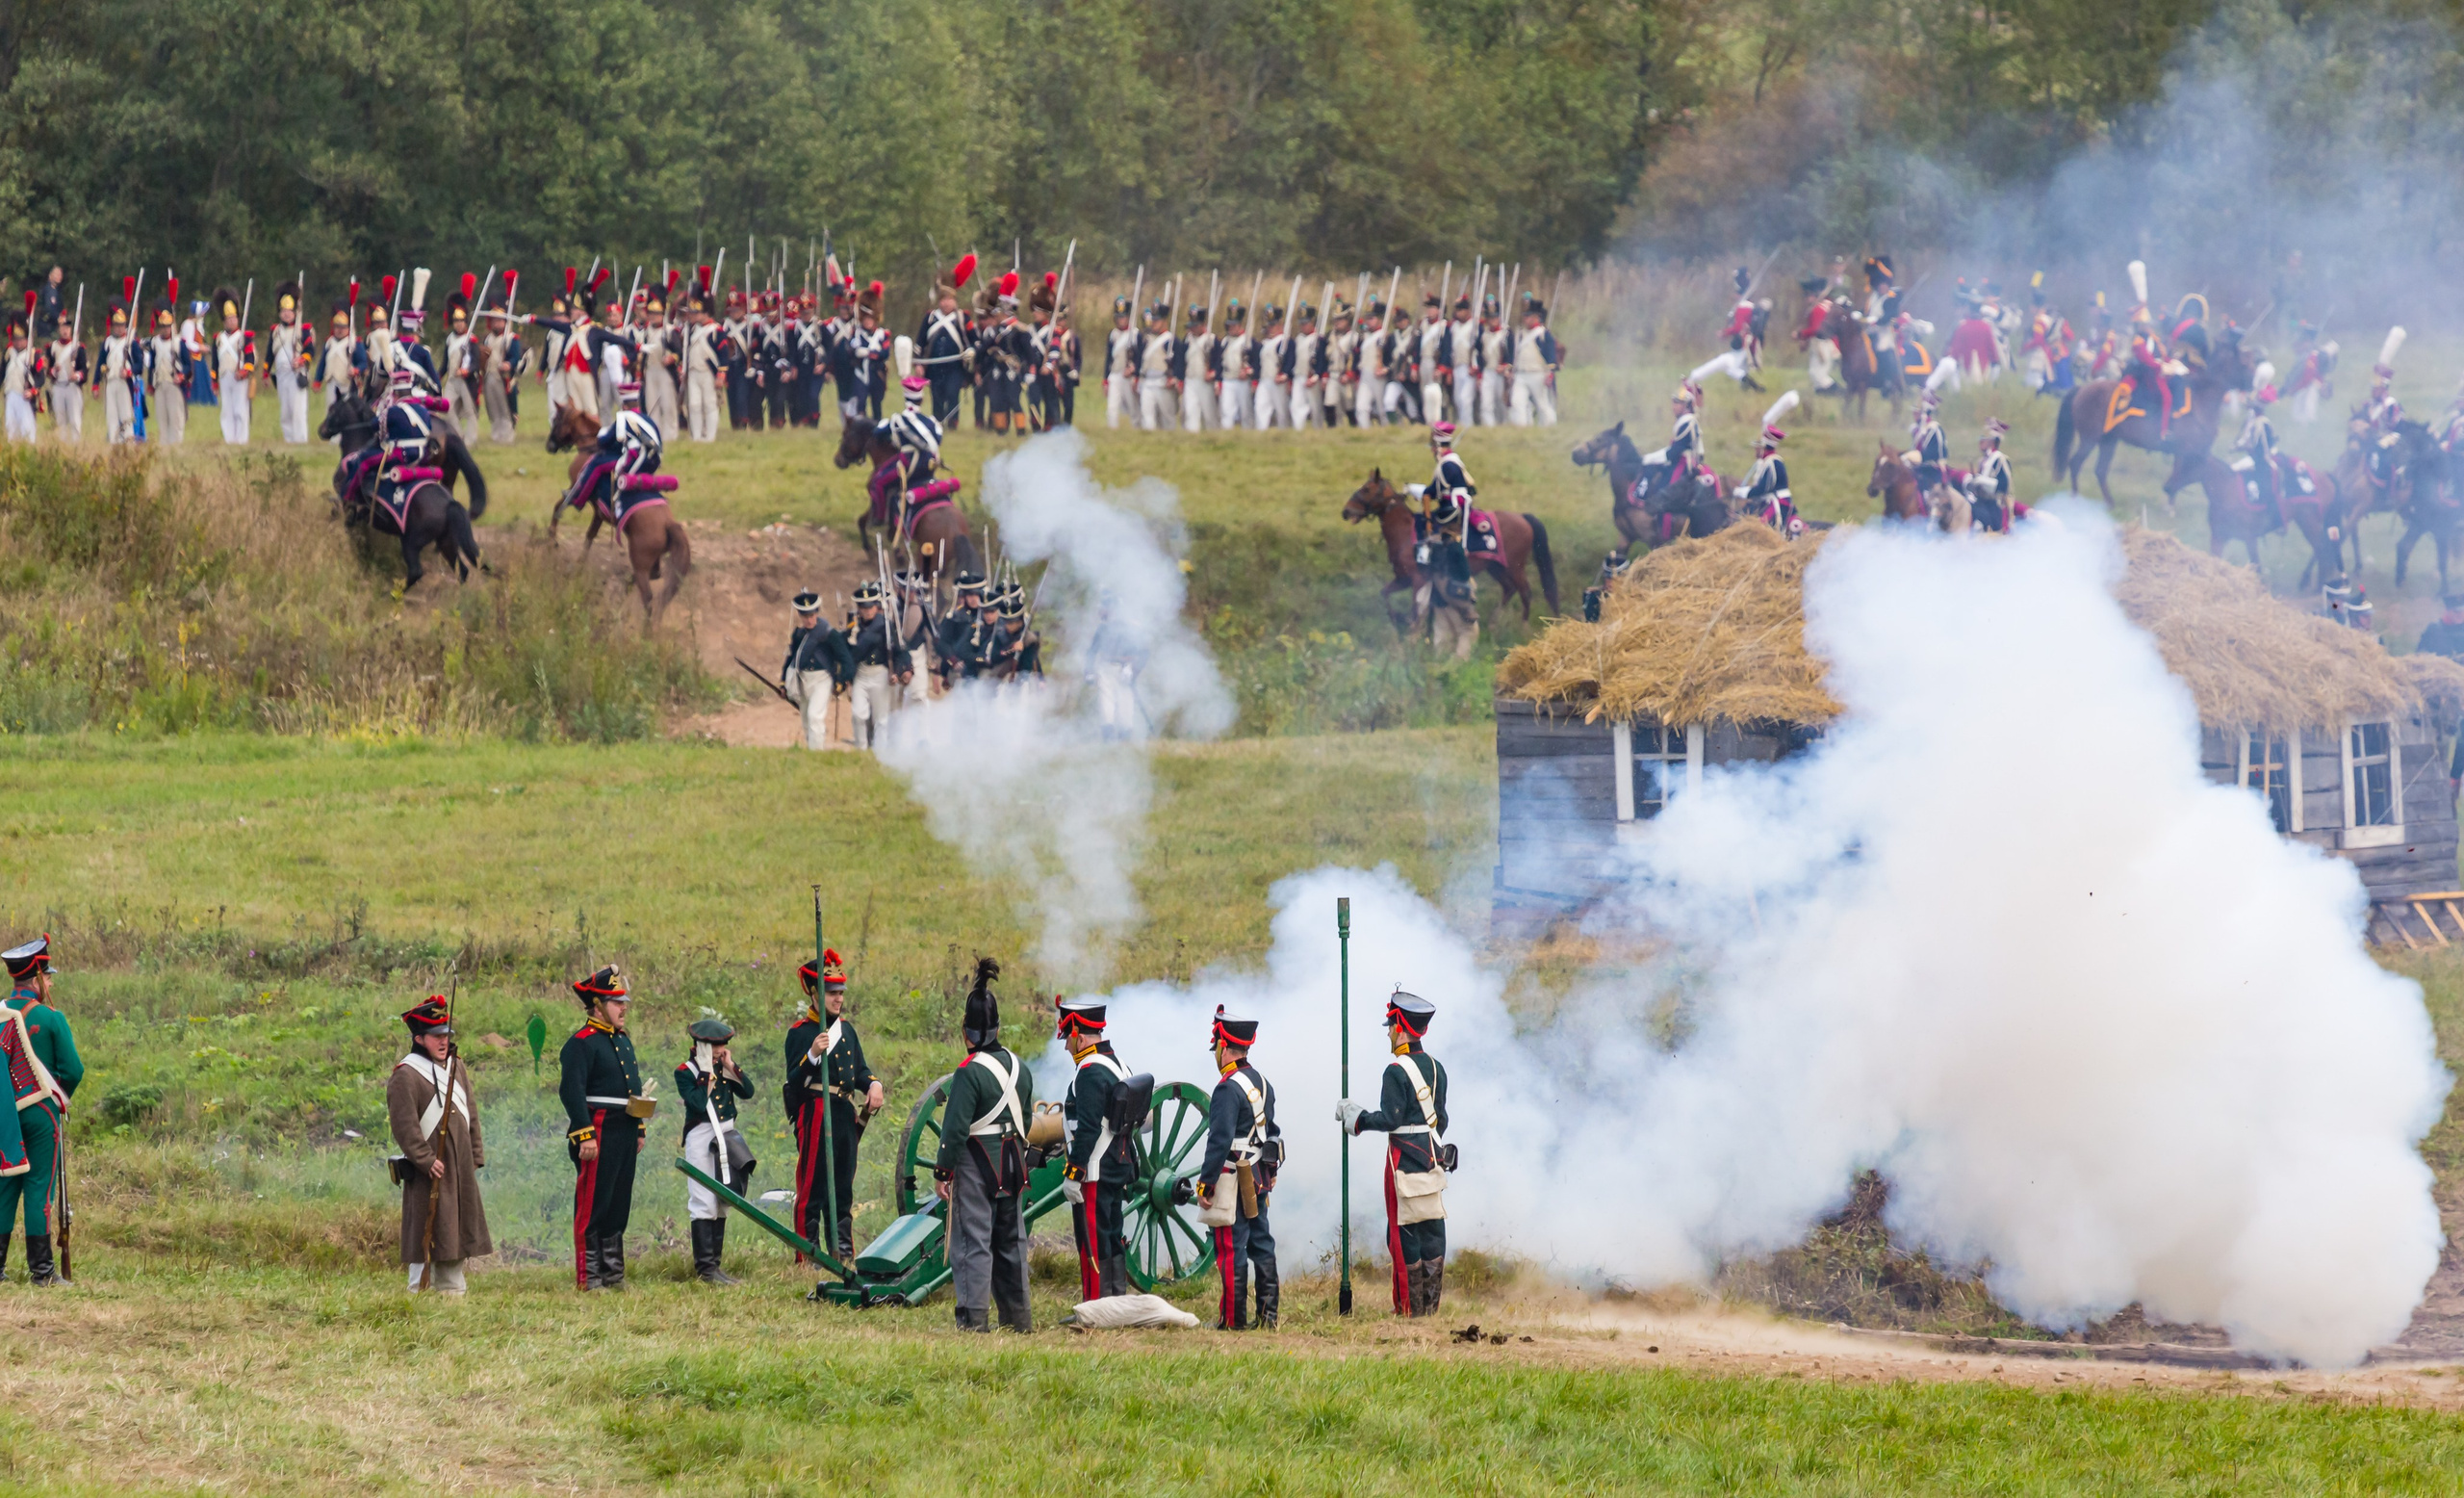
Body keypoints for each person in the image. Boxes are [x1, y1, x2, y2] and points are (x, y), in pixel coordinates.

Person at [933, 958, 1034, 1332]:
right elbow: (1026, 1117)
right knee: (1012, 1241)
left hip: (977, 1164)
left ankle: (974, 1320)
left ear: (966, 1030)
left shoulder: (969, 1072)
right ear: (996, 1026)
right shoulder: (1021, 1067)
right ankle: (1018, 1318)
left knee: (974, 1242)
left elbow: (955, 1128)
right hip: (1013, 1162)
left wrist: (943, 1171)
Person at [1338, 990, 1450, 1317]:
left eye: (1390, 1025)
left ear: (1401, 1027)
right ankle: (1429, 1309)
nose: (1388, 1031)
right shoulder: (1436, 1067)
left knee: (1402, 1234)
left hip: (1401, 1161)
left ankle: (1408, 1310)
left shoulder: (1395, 1071)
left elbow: (1390, 1120)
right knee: (1431, 1230)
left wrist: (1356, 1119)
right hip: (1431, 1158)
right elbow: (1441, 1119)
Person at [784, 948, 881, 1266]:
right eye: (832, 992)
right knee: (812, 1188)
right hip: (815, 1112)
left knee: (842, 1189)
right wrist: (812, 1054)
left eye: (841, 992)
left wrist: (874, 1085)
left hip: (843, 1113)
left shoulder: (847, 1031)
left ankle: (842, 1255)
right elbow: (793, 1083)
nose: (838, 999)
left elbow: (861, 1072)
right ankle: (807, 1256)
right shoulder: (801, 1034)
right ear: (814, 993)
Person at [387, 995, 488, 1295]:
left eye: (446, 1035)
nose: (444, 1041)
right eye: (436, 1036)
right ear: (419, 1038)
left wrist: (475, 1154)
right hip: (430, 1169)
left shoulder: (456, 1066)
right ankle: (420, 1288)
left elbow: (470, 1112)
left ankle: (452, 1286)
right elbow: (405, 1128)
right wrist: (426, 1159)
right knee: (426, 1230)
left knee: (456, 1227)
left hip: (459, 1166)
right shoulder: (405, 1076)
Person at [559, 966, 646, 1292]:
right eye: (615, 1002)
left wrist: (638, 1127)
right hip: (597, 1128)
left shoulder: (622, 1041)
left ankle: (613, 1274)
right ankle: (589, 1276)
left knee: (617, 1202)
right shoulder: (581, 1043)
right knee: (593, 1204)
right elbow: (571, 1091)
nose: (623, 1007)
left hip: (623, 1128)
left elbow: (630, 1087)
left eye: (624, 1001)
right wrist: (584, 1134)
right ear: (597, 1006)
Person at [0, 937, 78, 1284]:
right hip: (40, 1113)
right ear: (34, 980)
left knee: (5, 1185)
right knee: (38, 1187)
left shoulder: (1, 1017)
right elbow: (73, 1070)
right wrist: (56, 1095)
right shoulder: (50, 1018)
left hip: (4, 1114)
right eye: (47, 977)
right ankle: (43, 1271)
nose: (50, 983)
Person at [1197, 1005, 1280, 1330]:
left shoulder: (1226, 1088)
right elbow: (1271, 1130)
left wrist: (1206, 1183)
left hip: (1233, 1176)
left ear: (1223, 1046)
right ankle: (1268, 1317)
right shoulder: (1262, 1082)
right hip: (1258, 1176)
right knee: (1261, 1243)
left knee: (1231, 1247)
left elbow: (1219, 1140)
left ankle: (1233, 1321)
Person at [1057, 996, 1135, 1302]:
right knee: (1111, 1233)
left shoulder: (1089, 1071)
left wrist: (1073, 1173)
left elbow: (1088, 1128)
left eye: (1067, 1037)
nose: (1065, 1046)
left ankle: (1096, 1308)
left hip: (1095, 1169)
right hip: (1118, 1162)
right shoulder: (1118, 1063)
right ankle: (1116, 1300)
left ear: (1077, 1033)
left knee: (1091, 1239)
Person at [675, 1013, 754, 1285]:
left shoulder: (724, 1067)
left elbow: (748, 1092)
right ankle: (705, 1269)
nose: (721, 1051)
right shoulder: (686, 1072)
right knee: (703, 1199)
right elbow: (697, 1103)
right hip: (701, 1135)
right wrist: (707, 1074)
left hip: (726, 1136)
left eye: (723, 1046)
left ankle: (716, 1266)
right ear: (701, 1046)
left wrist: (732, 1067)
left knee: (722, 1200)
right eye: (716, 1047)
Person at [844, 581, 913, 751]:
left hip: (880, 674)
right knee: (858, 715)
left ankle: (880, 752)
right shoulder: (853, 627)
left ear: (876, 606)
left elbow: (899, 652)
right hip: (861, 674)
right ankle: (861, 750)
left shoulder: (887, 627)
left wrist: (900, 671)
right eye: (863, 607)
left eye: (870, 607)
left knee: (881, 720)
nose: (867, 611)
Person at [780, 590, 852, 749]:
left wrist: (841, 681)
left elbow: (845, 659)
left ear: (817, 613)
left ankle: (817, 753)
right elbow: (791, 659)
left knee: (815, 716)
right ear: (800, 615)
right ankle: (811, 751)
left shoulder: (829, 633)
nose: (809, 620)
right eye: (805, 616)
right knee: (806, 719)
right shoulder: (798, 634)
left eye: (811, 615)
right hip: (802, 679)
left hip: (822, 680)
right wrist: (783, 682)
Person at [268, 282, 313, 444]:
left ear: (295, 312)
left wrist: (301, 360)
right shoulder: (276, 331)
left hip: (297, 372)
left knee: (298, 409)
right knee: (285, 410)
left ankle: (300, 439)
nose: (286, 314)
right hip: (281, 374)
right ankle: (288, 439)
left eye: (289, 311)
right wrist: (266, 373)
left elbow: (310, 351)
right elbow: (269, 354)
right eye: (283, 311)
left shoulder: (303, 330)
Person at [1736, 423, 1798, 534]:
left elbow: (1764, 488)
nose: (1755, 450)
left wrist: (1744, 492)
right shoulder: (1767, 462)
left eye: (1757, 448)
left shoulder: (1772, 462)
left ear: (1763, 449)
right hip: (1772, 501)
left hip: (1778, 503)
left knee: (1761, 529)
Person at [96, 300, 143, 444]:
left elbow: (139, 365)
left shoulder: (131, 343)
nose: (118, 328)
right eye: (116, 325)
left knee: (126, 416)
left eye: (121, 325)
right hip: (110, 383)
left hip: (125, 383)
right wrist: (95, 384)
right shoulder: (107, 342)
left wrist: (129, 372)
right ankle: (113, 443)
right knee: (111, 416)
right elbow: (101, 363)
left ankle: (128, 443)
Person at [212, 287, 252, 445]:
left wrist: (244, 372)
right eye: (228, 318)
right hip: (224, 376)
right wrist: (214, 382)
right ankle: (230, 439)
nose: (232, 321)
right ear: (224, 320)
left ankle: (242, 439)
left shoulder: (244, 337)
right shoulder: (218, 338)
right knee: (227, 410)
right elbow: (215, 363)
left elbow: (250, 358)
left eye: (234, 318)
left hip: (239, 377)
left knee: (240, 409)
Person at [1511, 300, 1561, 426]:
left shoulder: (1543, 334)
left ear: (1536, 317)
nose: (1525, 319)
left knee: (1542, 404)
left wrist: (1550, 373)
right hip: (1521, 374)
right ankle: (1521, 428)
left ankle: (1550, 426)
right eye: (1525, 316)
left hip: (1538, 374)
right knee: (1517, 402)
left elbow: (1551, 356)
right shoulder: (1520, 334)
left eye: (1528, 316)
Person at [146, 289, 187, 444]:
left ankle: (176, 445)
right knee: (162, 418)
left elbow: (188, 366)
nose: (164, 329)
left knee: (175, 418)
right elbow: (152, 365)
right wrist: (150, 383)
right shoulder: (155, 342)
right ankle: (164, 445)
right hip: (159, 384)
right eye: (162, 326)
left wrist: (182, 376)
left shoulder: (178, 343)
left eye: (167, 326)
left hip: (174, 384)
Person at [43, 315, 87, 444]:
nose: (65, 330)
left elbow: (84, 369)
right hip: (58, 387)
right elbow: (47, 369)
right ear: (59, 329)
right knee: (60, 421)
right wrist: (53, 371)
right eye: (63, 327)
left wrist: (77, 375)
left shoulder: (78, 347)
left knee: (74, 421)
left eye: (67, 327)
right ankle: (61, 446)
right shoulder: (52, 347)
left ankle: (75, 447)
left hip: (72, 387)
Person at [1967, 420, 2015, 532]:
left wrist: (1981, 481)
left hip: (1994, 504)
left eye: (1983, 440)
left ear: (1991, 441)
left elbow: (2004, 485)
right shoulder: (1983, 460)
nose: (1980, 442)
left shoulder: (2000, 459)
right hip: (1981, 500)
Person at [2, 312, 38, 444]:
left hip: (25, 396)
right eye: (15, 339)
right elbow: (2, 374)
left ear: (26, 339)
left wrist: (33, 390)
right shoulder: (8, 354)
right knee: (11, 427)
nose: (18, 342)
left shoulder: (32, 354)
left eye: (21, 339)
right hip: (10, 394)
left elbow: (39, 377)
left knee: (27, 429)